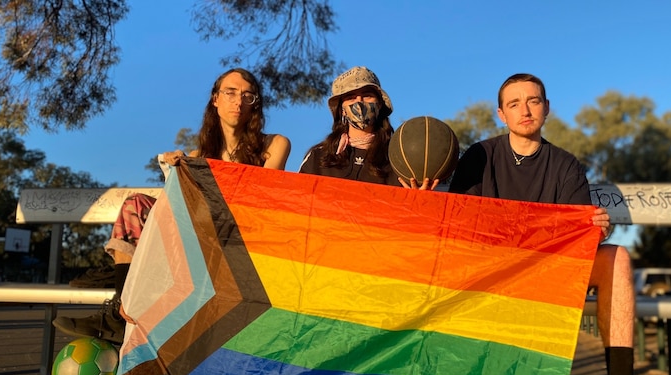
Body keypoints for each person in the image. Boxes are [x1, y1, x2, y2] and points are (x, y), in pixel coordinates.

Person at [448, 73, 671, 375]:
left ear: (547, 108)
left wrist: (591, 230)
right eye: (515, 103)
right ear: (501, 114)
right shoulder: (479, 157)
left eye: (534, 101)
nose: (526, 109)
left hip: (549, 273)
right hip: (489, 276)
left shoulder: (567, 167)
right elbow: (462, 226)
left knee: (617, 257)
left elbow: (573, 238)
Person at [53, 68, 291, 344]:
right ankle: (121, 310)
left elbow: (259, 199)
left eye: (248, 96)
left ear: (255, 104)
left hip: (238, 242)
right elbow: (179, 208)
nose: (238, 101)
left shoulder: (274, 144)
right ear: (215, 99)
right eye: (231, 93)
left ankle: (115, 281)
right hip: (196, 239)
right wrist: (177, 172)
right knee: (135, 206)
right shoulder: (198, 155)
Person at [299, 66, 438, 190]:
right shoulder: (319, 156)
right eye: (351, 97)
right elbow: (296, 201)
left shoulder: (400, 161)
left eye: (367, 96)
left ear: (379, 105)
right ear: (342, 110)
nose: (359, 102)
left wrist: (421, 198)